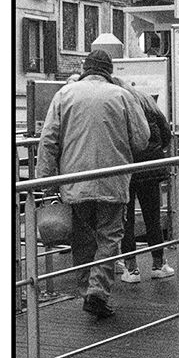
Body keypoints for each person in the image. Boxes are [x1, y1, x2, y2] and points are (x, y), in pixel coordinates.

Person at [35, 49, 149, 319]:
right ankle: (98, 291)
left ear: (85, 68)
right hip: (112, 182)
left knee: (83, 239)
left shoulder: (64, 94)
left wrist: (46, 180)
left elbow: (48, 138)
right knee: (109, 237)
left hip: (75, 182)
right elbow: (142, 138)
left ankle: (87, 290)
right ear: (108, 71)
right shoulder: (122, 96)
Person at [118, 84, 175, 283]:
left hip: (125, 169)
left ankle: (131, 269)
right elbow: (166, 133)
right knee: (153, 218)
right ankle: (158, 264)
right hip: (150, 169)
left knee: (126, 220)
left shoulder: (120, 104)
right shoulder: (147, 102)